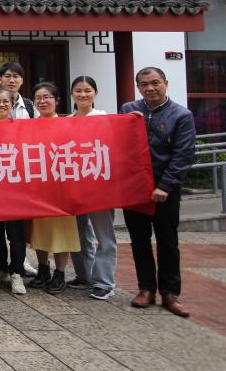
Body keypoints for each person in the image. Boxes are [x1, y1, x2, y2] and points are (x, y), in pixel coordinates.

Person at [122, 67, 196, 318]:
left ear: (166, 83)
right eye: (144, 84)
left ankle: (170, 293)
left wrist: (165, 186)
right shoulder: (129, 109)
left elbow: (183, 155)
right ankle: (146, 288)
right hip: (135, 189)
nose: (150, 88)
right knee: (139, 241)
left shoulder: (181, 115)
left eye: (155, 83)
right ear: (138, 87)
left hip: (165, 190)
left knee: (167, 242)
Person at [65, 76, 118, 300]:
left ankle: (104, 282)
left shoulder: (104, 119)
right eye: (78, 90)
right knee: (79, 234)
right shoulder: (66, 121)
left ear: (95, 93)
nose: (83, 95)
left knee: (104, 236)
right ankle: (84, 275)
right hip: (74, 187)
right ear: (72, 94)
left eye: (87, 90)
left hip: (99, 187)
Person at [26, 82, 80, 294]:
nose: (42, 101)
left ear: (56, 100)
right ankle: (43, 269)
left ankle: (60, 273)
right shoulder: (28, 126)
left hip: (61, 188)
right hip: (37, 188)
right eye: (38, 98)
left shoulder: (68, 125)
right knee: (38, 230)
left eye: (47, 97)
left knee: (61, 231)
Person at [0, 88, 28, 295]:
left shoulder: (21, 127)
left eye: (6, 101)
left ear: (12, 105)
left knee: (16, 233)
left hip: (15, 189)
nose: (1, 105)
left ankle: (17, 272)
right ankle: (0, 267)